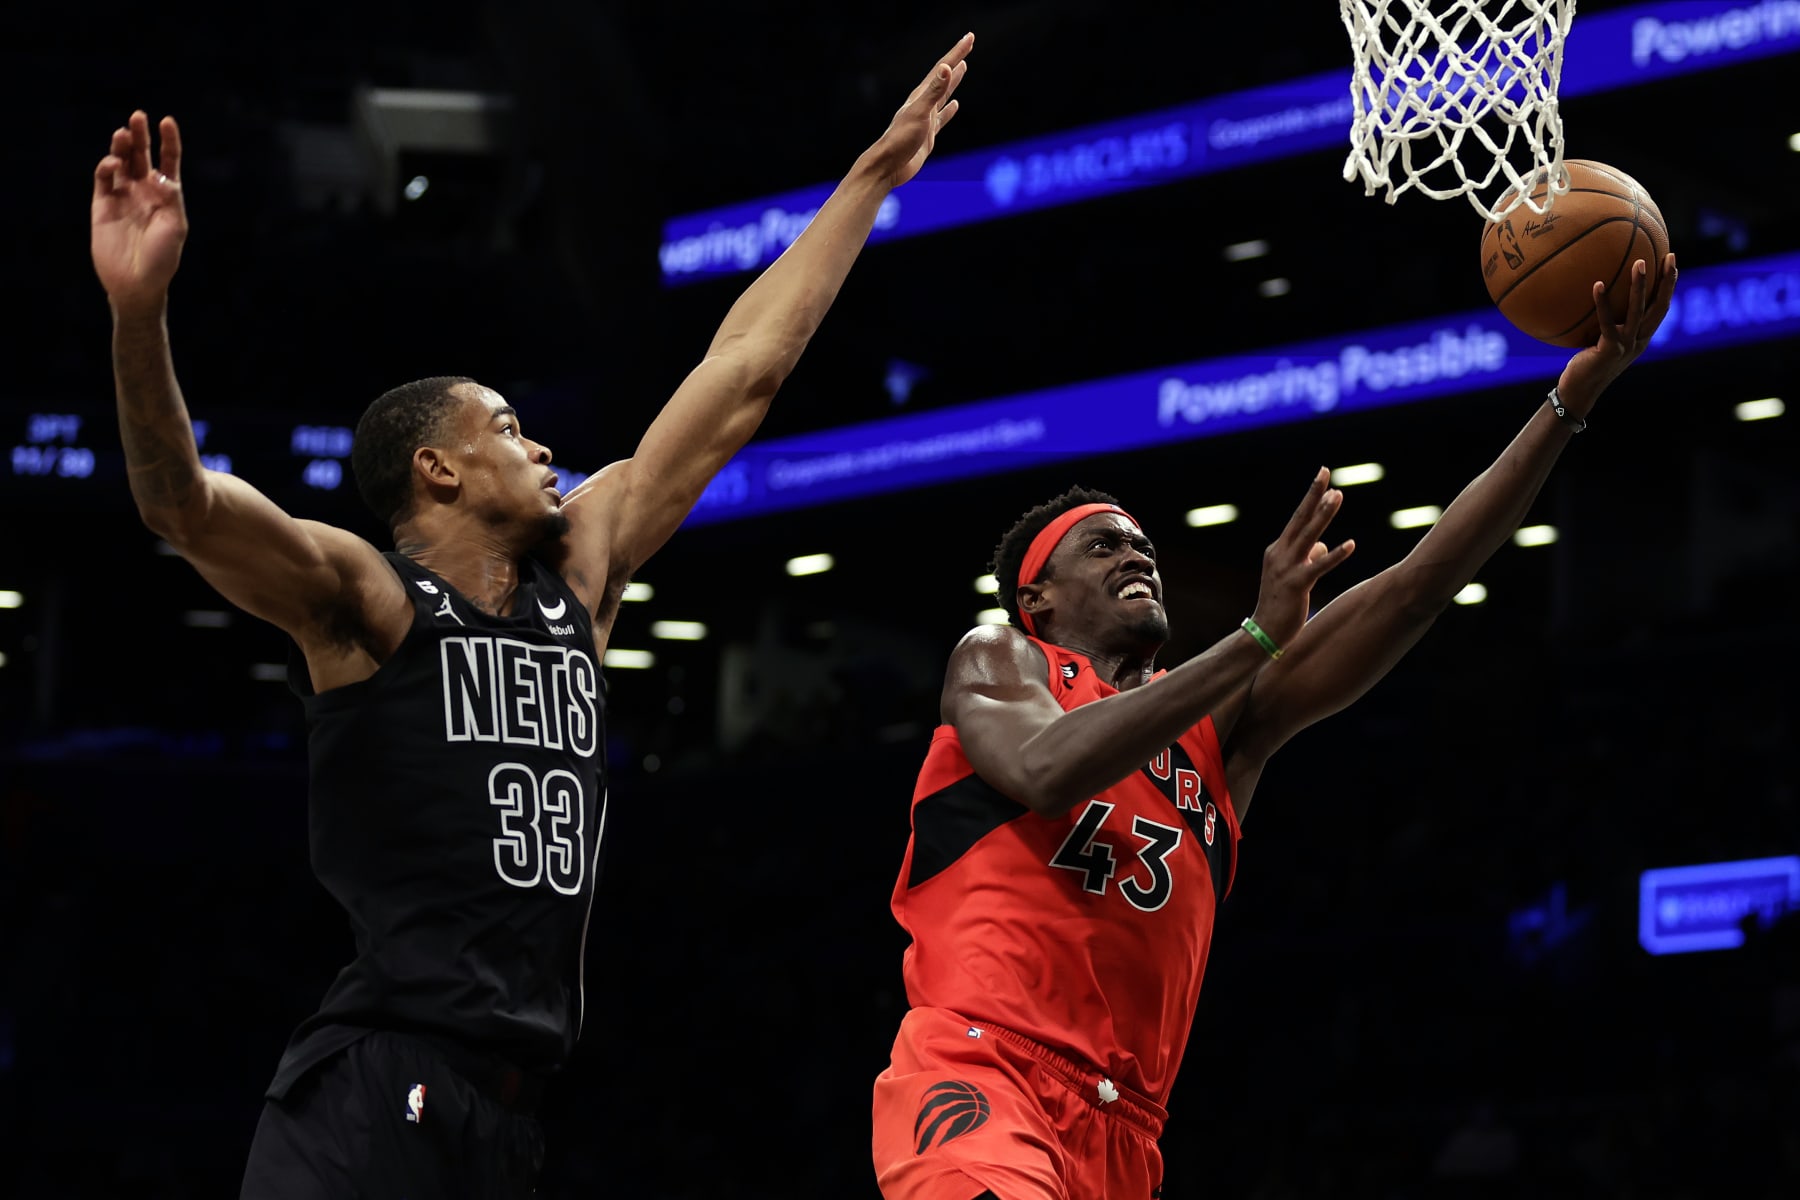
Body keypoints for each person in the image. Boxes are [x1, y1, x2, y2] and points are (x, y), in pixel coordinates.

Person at [88, 33, 973, 1199]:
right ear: (437, 473)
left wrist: (866, 182)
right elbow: (181, 503)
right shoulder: (368, 602)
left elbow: (743, 374)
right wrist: (138, 312)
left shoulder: (581, 577)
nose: (542, 444)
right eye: (507, 427)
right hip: (376, 1085)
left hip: (512, 1109)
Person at [871, 253, 1679, 1199]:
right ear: (1036, 597)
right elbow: (1048, 770)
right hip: (982, 1071)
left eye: (1144, 544)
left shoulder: (1222, 728)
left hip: (1126, 1134)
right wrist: (1254, 637)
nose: (1138, 556)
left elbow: (1418, 588)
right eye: (1104, 544)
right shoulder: (1002, 660)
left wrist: (1566, 406)